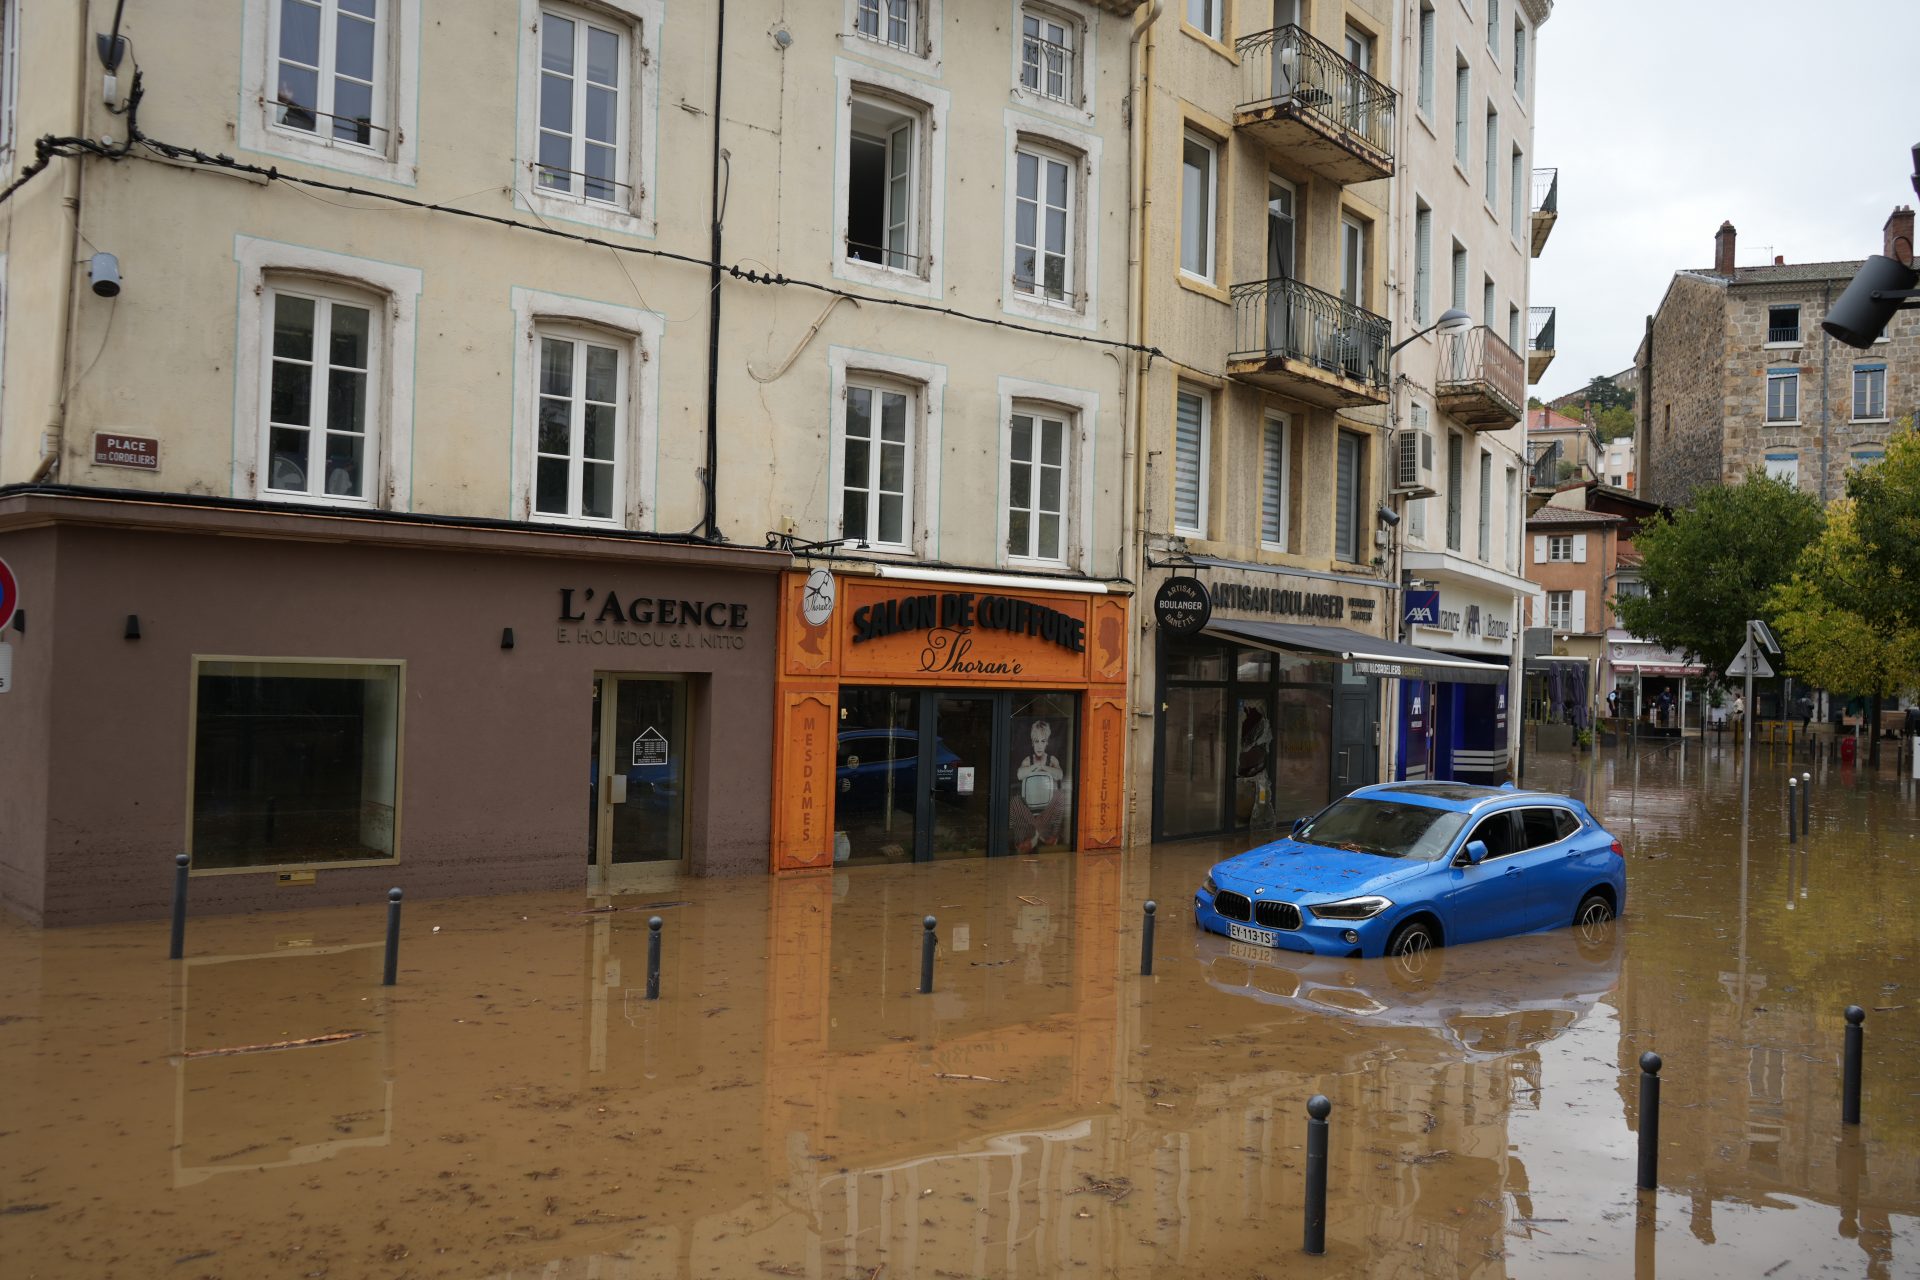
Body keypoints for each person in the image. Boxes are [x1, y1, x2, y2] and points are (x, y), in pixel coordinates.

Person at [1010, 718, 1071, 854]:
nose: (1039, 745)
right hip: (1029, 806)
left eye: (1042, 741)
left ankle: (1035, 836)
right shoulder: (1028, 760)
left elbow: (1060, 775)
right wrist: (1036, 766)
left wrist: (1044, 766)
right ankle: (1040, 835)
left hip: (1047, 807)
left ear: (1047, 743)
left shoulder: (1052, 760)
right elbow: (1020, 775)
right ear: (1032, 743)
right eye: (1036, 741)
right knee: (1015, 801)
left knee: (1060, 796)